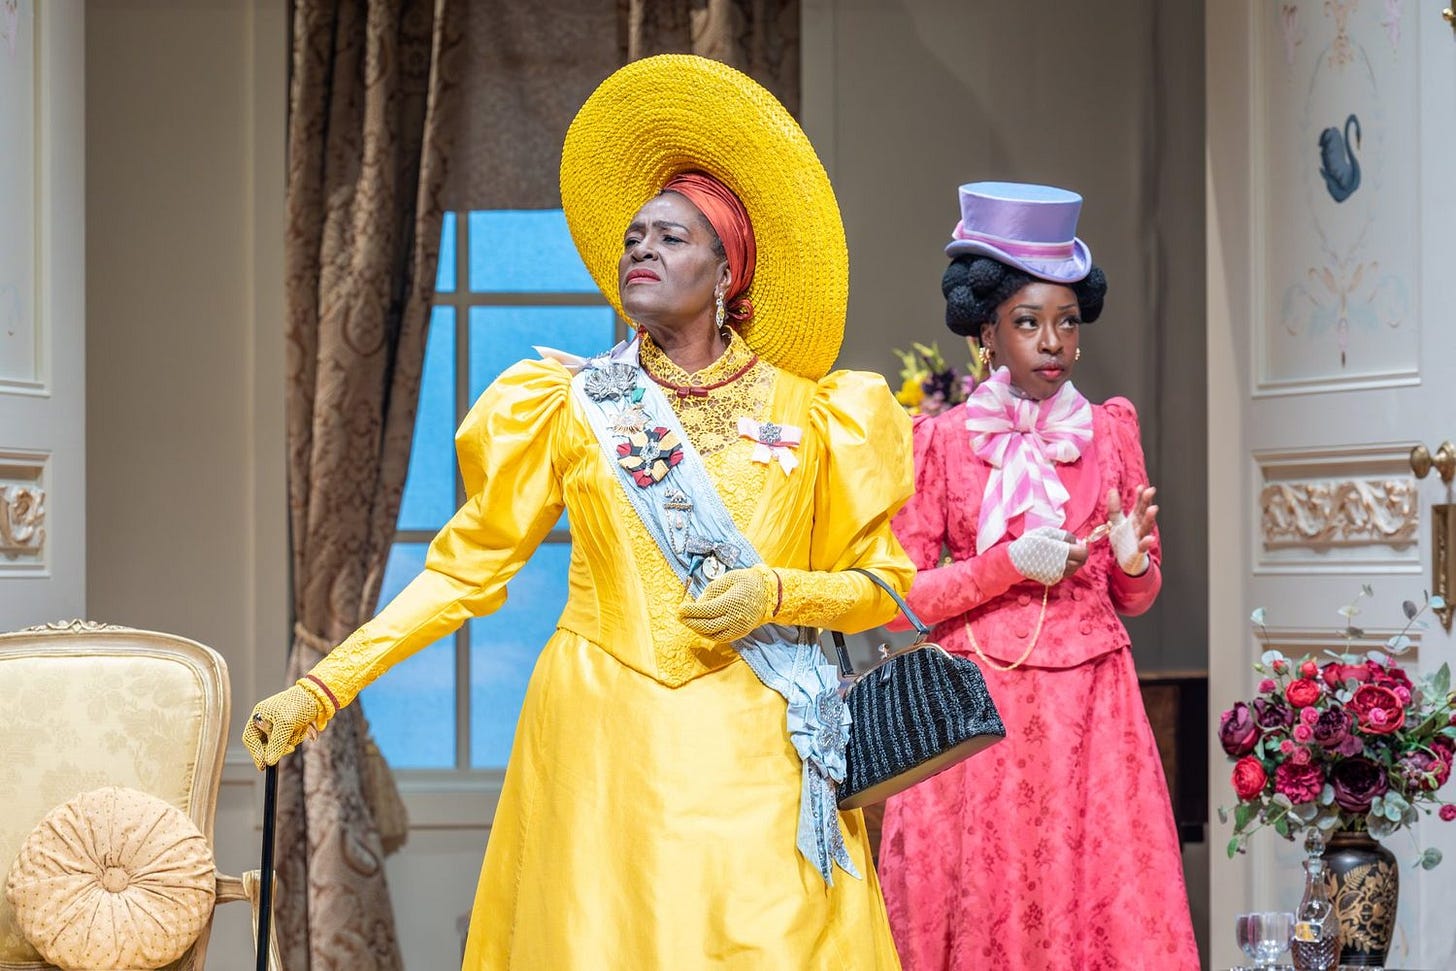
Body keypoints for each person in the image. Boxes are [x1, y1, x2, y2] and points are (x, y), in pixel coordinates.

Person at [242, 54, 916, 970]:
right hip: (601, 741)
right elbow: (463, 570)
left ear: (729, 269)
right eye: (634, 236)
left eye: (672, 237)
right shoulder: (571, 405)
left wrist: (776, 592)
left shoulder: (816, 411)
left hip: (759, 742)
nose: (642, 248)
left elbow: (883, 586)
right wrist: (324, 686)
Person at [875, 182, 1200, 970]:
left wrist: (1133, 563)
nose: (1051, 341)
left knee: (1096, 906)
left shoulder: (1110, 430)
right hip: (977, 720)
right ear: (987, 333)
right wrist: (1005, 566)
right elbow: (895, 603)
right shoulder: (942, 441)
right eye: (1028, 322)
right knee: (988, 907)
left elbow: (1135, 597)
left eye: (1067, 322)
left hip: (1092, 711)